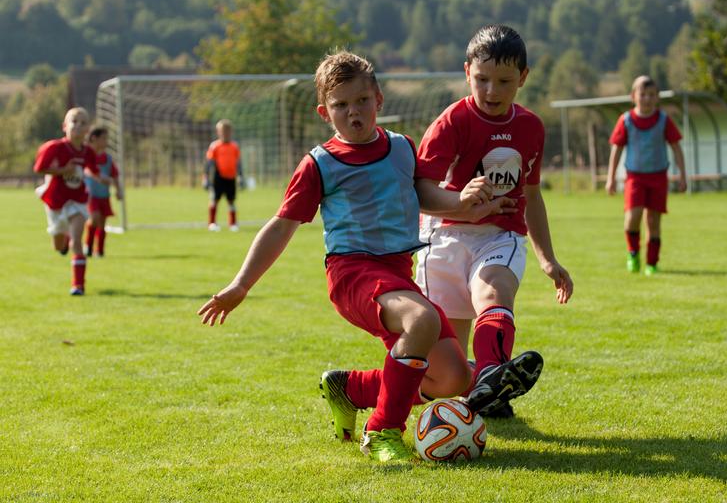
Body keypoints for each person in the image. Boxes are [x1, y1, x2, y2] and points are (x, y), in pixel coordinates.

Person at [198, 51, 509, 462]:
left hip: (397, 275)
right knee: (422, 320)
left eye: (361, 101)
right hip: (353, 273)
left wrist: (464, 204)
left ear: (378, 98)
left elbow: (424, 196)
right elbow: (281, 226)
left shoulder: (402, 148)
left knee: (451, 377)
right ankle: (381, 431)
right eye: (340, 105)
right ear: (324, 112)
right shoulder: (319, 164)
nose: (353, 112)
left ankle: (351, 388)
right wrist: (241, 284)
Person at [414, 24, 574, 419]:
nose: (491, 91)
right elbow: (419, 192)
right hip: (445, 238)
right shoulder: (451, 123)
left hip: (500, 236)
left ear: (523, 77)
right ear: (467, 71)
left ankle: (490, 374)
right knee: (447, 370)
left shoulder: (531, 127)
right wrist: (462, 203)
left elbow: (532, 196)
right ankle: (476, 388)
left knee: (494, 290)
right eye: (482, 79)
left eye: (504, 81)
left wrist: (547, 259)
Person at [606, 75, 687, 275]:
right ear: (633, 96)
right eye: (643, 94)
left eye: (651, 95)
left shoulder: (663, 120)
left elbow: (676, 147)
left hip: (658, 177)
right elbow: (616, 149)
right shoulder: (626, 120)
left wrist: (683, 175)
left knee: (653, 222)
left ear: (657, 97)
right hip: (635, 178)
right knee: (632, 217)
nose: (647, 98)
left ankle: (652, 263)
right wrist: (611, 178)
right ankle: (633, 254)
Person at [33, 107, 99, 296]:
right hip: (56, 200)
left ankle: (78, 285)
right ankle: (64, 240)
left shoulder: (88, 152)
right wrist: (62, 171)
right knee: (59, 246)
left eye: (83, 123)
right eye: (74, 121)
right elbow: (39, 169)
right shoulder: (54, 148)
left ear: (87, 130)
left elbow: (93, 169)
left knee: (77, 241)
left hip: (77, 200)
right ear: (64, 126)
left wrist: (103, 179)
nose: (78, 125)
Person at [84, 126, 122, 257]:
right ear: (94, 139)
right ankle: (88, 246)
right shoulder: (87, 155)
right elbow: (86, 170)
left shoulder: (108, 159)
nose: (106, 141)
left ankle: (99, 251)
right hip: (90, 195)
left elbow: (115, 175)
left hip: (104, 196)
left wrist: (118, 190)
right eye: (104, 138)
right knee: (94, 218)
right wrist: (98, 177)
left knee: (102, 223)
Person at [203, 119, 244, 232]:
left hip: (231, 178)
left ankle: (233, 224)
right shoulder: (214, 146)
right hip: (218, 178)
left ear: (231, 132)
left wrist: (240, 177)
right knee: (214, 200)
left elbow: (238, 163)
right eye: (222, 131)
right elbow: (208, 164)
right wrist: (205, 178)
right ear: (218, 132)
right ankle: (212, 223)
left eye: (227, 131)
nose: (225, 133)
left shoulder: (234, 146)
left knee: (231, 201)